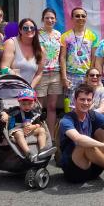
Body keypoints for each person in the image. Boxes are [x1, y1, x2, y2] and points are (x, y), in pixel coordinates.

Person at [60, 7, 99, 108]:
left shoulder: (93, 36)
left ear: (86, 18)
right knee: (69, 105)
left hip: (86, 76)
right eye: (77, 16)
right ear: (72, 18)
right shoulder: (65, 36)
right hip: (70, 76)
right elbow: (63, 57)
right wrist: (64, 77)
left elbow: (94, 58)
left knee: (86, 104)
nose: (80, 18)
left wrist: (92, 76)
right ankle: (70, 123)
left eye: (83, 16)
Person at [0, 88, 51, 161]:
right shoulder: (16, 110)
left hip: (30, 130)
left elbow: (39, 123)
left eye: (30, 104)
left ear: (34, 102)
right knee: (19, 133)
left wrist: (34, 126)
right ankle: (28, 153)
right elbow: (4, 111)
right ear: (19, 102)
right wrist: (4, 114)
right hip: (16, 131)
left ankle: (42, 150)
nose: (27, 106)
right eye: (23, 104)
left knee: (42, 130)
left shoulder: (35, 112)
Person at [36, 8, 63, 137]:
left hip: (56, 73)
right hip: (41, 74)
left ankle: (51, 136)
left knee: (52, 107)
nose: (50, 20)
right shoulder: (36, 34)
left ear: (56, 20)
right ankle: (38, 134)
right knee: (38, 106)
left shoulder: (59, 34)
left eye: (52, 18)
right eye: (47, 17)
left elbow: (61, 55)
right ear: (42, 19)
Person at [0, 18, 44, 88]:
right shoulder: (11, 43)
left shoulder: (40, 49)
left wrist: (30, 88)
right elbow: (3, 68)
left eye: (32, 28)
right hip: (9, 90)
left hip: (27, 92)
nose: (29, 30)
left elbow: (39, 73)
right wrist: (16, 76)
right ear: (20, 30)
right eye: (25, 28)